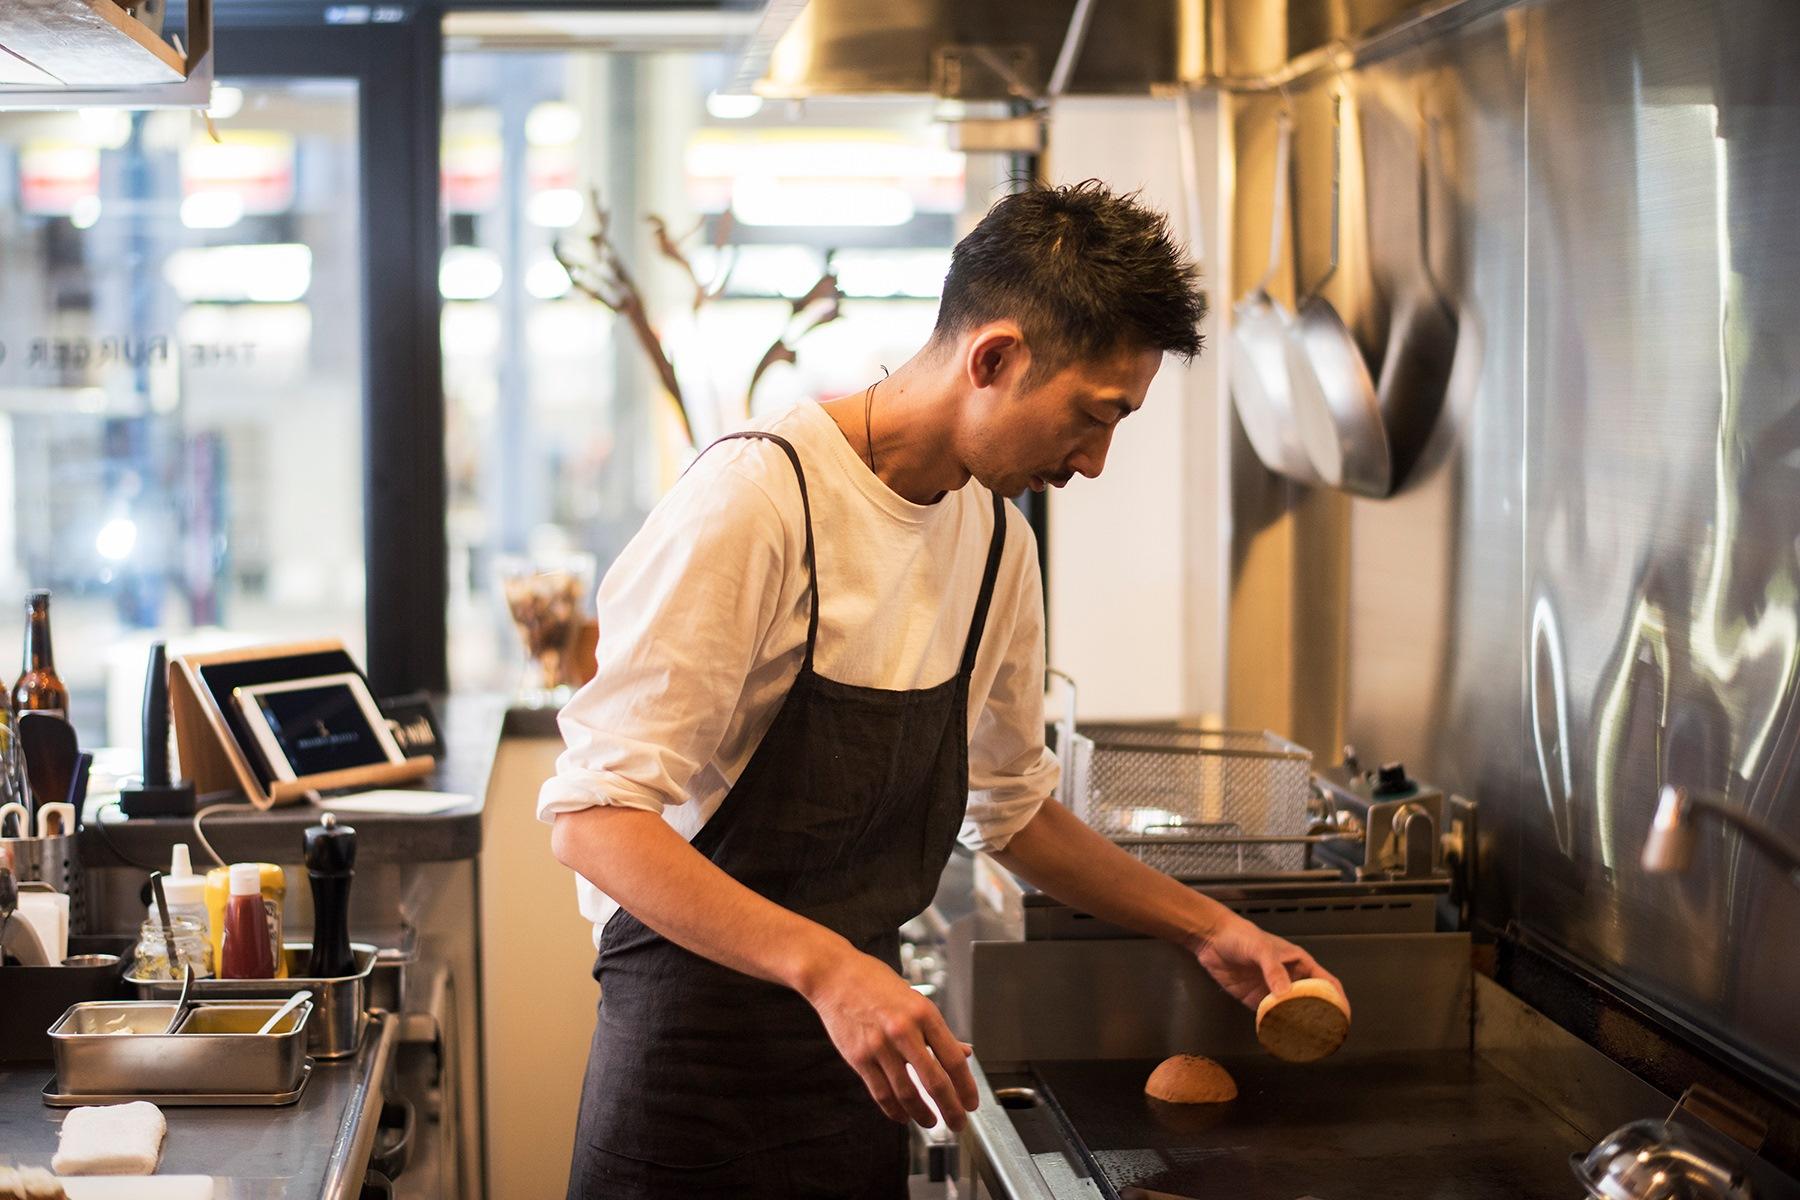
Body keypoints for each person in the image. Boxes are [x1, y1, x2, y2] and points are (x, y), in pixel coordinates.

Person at [541, 179, 1346, 1198]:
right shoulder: (759, 503)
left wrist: (1212, 928)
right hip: (689, 1074)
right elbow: (596, 818)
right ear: (996, 357)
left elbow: (1010, 811)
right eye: (1092, 417)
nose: (1095, 462)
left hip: (859, 1069)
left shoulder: (998, 540)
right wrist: (829, 968)